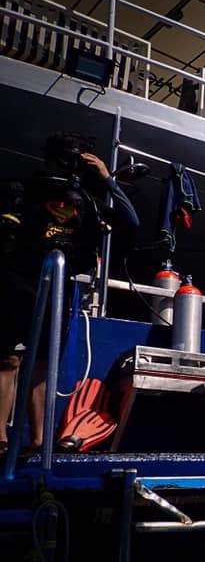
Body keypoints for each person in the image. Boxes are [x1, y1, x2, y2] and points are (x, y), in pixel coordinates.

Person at [0, 132, 138, 455]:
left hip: (59, 288)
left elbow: (131, 221)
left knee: (43, 365)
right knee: (8, 360)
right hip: (21, 281)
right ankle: (1, 442)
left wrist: (107, 180)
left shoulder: (88, 202)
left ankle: (38, 442)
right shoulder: (29, 191)